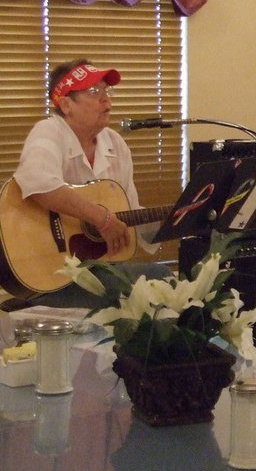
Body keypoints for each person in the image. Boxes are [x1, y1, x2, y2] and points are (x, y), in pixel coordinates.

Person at [13, 59, 170, 309]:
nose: (106, 100)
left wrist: (175, 219)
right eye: (94, 92)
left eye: (107, 91)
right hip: (51, 273)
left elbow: (131, 212)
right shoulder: (49, 131)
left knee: (164, 283)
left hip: (99, 269)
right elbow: (38, 182)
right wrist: (102, 218)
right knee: (158, 281)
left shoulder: (115, 144)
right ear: (66, 104)